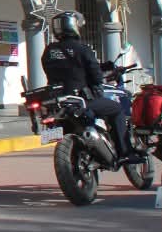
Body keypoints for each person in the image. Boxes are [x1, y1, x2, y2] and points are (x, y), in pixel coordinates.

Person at [39, 12, 132, 163]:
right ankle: (124, 152)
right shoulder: (82, 49)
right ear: (74, 26)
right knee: (116, 110)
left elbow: (68, 68)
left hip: (58, 101)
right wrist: (97, 80)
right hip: (81, 99)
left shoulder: (49, 51)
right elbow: (95, 75)